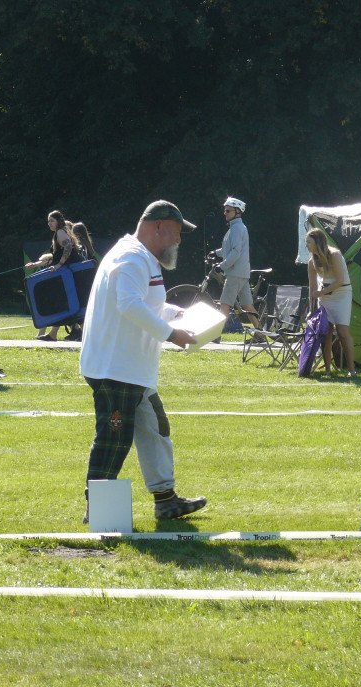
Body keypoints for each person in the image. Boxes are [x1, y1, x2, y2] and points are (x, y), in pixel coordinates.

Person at [79, 200, 206, 524]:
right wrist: (170, 334)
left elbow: (145, 305)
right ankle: (98, 510)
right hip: (116, 368)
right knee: (114, 437)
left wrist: (177, 316)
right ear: (158, 226)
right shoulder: (132, 257)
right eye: (176, 232)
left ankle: (165, 500)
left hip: (131, 369)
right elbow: (129, 305)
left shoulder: (141, 258)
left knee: (155, 429)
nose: (178, 240)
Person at [306, 227, 356, 376]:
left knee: (342, 331)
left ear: (318, 242)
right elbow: (312, 288)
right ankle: (327, 369)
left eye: (309, 242)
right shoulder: (311, 262)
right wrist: (311, 308)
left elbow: (340, 281)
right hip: (325, 296)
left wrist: (321, 293)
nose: (306, 246)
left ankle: (351, 370)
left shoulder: (334, 255)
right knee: (325, 331)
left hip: (342, 294)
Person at [26, 211, 82, 341]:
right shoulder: (59, 234)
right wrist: (34, 265)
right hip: (67, 273)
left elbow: (68, 246)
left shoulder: (60, 232)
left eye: (52, 221)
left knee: (62, 302)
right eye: (48, 221)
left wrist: (59, 265)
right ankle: (53, 334)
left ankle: (54, 334)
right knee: (63, 303)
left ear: (58, 221)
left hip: (67, 273)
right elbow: (52, 257)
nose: (49, 223)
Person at [212, 196, 260, 329]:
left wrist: (222, 266)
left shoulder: (237, 228)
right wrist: (215, 253)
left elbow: (236, 252)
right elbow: (229, 249)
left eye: (228, 210)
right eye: (225, 210)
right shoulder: (235, 227)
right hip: (241, 272)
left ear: (237, 212)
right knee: (247, 305)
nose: (225, 213)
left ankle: (216, 333)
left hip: (235, 272)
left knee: (225, 303)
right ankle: (260, 333)